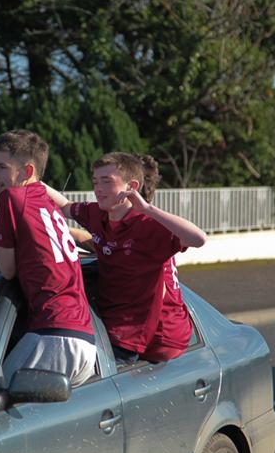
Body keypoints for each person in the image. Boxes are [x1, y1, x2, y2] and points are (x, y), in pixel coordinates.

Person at [45, 152, 207, 364]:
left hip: (154, 337)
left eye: (106, 181)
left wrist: (147, 209)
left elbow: (198, 239)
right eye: (95, 181)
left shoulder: (148, 225)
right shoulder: (98, 214)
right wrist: (31, 181)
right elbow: (66, 206)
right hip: (114, 325)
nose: (98, 188)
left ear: (132, 187)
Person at [0, 130, 96, 387]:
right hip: (83, 339)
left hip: (52, 336)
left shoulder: (11, 197)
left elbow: (7, 270)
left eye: (1, 167)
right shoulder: (45, 201)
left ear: (27, 171)